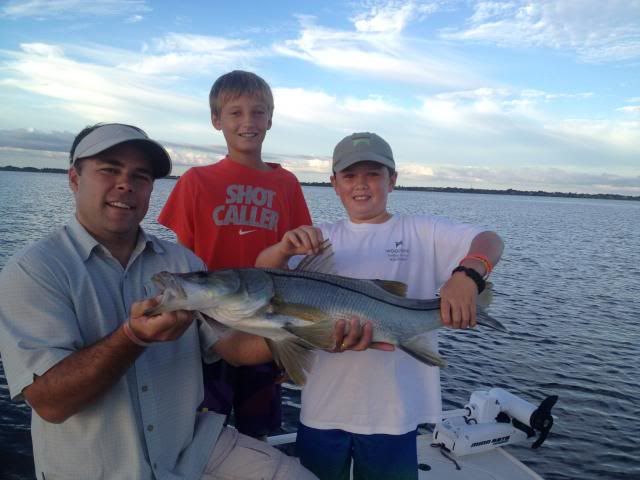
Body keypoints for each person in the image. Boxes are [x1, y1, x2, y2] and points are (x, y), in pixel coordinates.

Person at [0, 123, 374, 479]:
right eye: (109, 170)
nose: (125, 185)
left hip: (192, 449)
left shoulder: (182, 264)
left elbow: (232, 346)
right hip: (96, 468)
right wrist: (133, 337)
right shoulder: (33, 271)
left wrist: (316, 332)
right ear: (74, 178)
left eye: (140, 176)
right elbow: (50, 403)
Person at [256, 132, 505, 480]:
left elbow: (490, 240)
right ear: (334, 183)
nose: (361, 185)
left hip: (394, 412)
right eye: (349, 175)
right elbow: (261, 277)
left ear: (393, 180)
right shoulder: (317, 240)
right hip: (322, 408)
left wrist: (467, 275)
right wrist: (282, 249)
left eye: (373, 174)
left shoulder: (421, 231)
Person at [158, 70, 312, 438]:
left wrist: (293, 345)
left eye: (258, 112)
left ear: (270, 119)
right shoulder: (195, 181)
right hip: (208, 326)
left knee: (258, 431)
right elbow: (179, 258)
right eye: (236, 112)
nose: (248, 122)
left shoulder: (286, 183)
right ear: (216, 120)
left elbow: (296, 264)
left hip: (266, 323)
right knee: (198, 432)